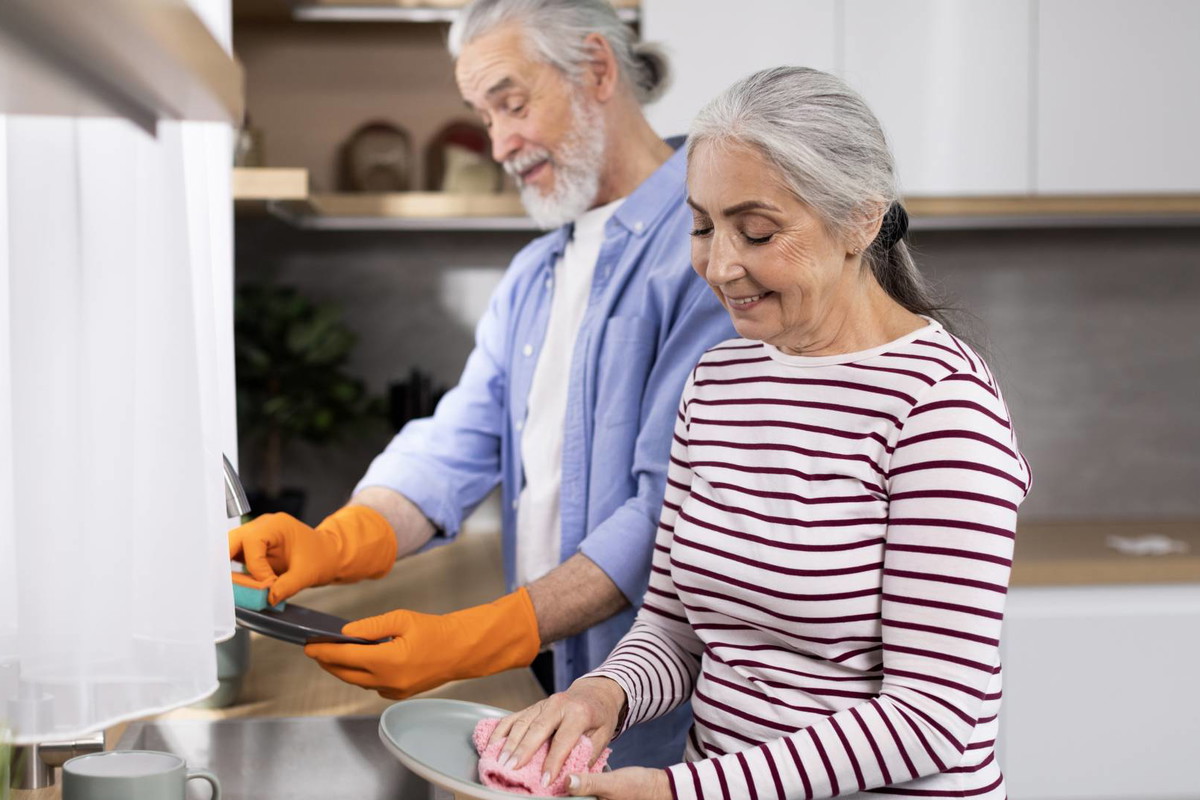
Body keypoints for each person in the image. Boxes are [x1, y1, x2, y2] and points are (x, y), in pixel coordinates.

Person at [486, 66, 1032, 800]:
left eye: (757, 231)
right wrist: (601, 695)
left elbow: (932, 715)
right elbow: (676, 626)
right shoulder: (718, 383)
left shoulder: (939, 408)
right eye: (703, 226)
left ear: (861, 220)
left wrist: (688, 791)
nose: (720, 265)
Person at [226, 0, 733, 769]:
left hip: (669, 718)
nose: (499, 143)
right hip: (555, 680)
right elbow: (455, 443)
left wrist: (489, 632)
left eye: (512, 102)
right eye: (483, 115)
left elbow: (671, 510)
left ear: (597, 68)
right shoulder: (537, 274)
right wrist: (334, 542)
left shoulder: (709, 247)